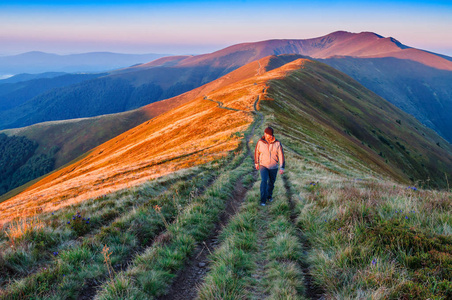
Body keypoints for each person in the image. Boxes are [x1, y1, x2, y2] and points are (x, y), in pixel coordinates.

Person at [254, 126, 285, 206]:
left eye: (270, 135)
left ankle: (269, 196)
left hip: (274, 167)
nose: (269, 136)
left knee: (271, 183)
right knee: (264, 181)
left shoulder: (277, 143)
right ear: (265, 134)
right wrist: (256, 163)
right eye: (268, 134)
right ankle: (263, 200)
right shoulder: (260, 142)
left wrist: (282, 167)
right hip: (263, 165)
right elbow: (256, 152)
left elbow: (281, 155)